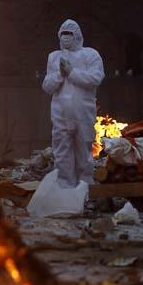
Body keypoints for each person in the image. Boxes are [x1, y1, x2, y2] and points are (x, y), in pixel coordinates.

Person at [42, 20, 105, 188]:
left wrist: (72, 72)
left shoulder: (90, 55)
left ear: (77, 35)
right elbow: (47, 86)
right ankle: (64, 188)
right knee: (62, 152)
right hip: (60, 113)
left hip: (83, 112)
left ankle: (84, 189)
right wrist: (60, 75)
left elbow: (95, 78)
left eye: (69, 34)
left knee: (84, 151)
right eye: (63, 33)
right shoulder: (54, 57)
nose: (66, 37)